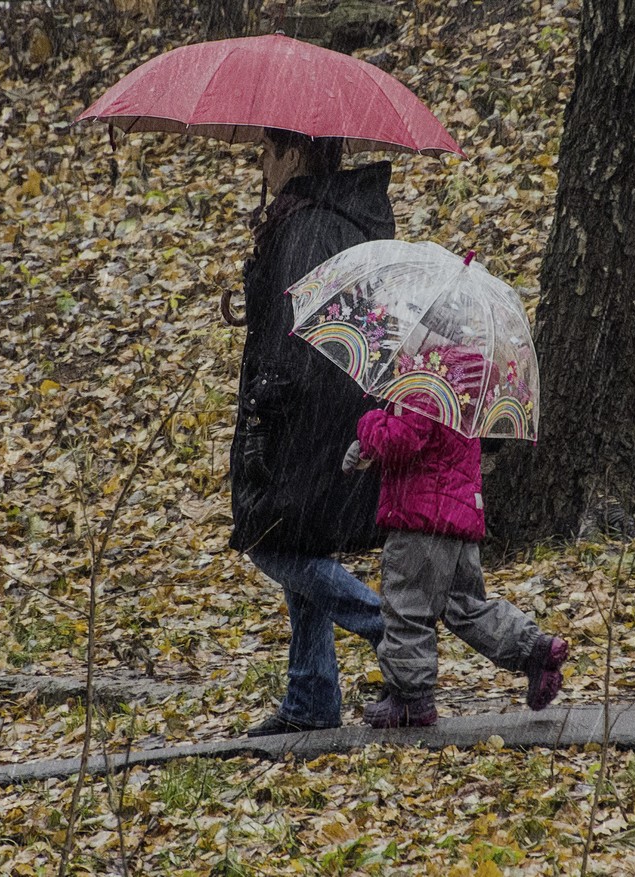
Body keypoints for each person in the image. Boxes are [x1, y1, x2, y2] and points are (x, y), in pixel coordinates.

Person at [229, 128, 394, 737]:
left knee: (268, 538)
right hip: (339, 403)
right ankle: (312, 695)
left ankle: (386, 627)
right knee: (300, 541)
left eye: (267, 152)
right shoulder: (338, 215)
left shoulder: (306, 225)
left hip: (304, 410)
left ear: (292, 154)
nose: (262, 165)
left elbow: (295, 332)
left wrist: (268, 399)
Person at [344, 347, 570, 728]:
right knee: (466, 606)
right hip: (457, 517)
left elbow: (405, 440)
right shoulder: (469, 374)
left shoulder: (426, 372)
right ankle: (533, 649)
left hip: (421, 519)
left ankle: (410, 699)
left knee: (406, 608)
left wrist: (369, 424)